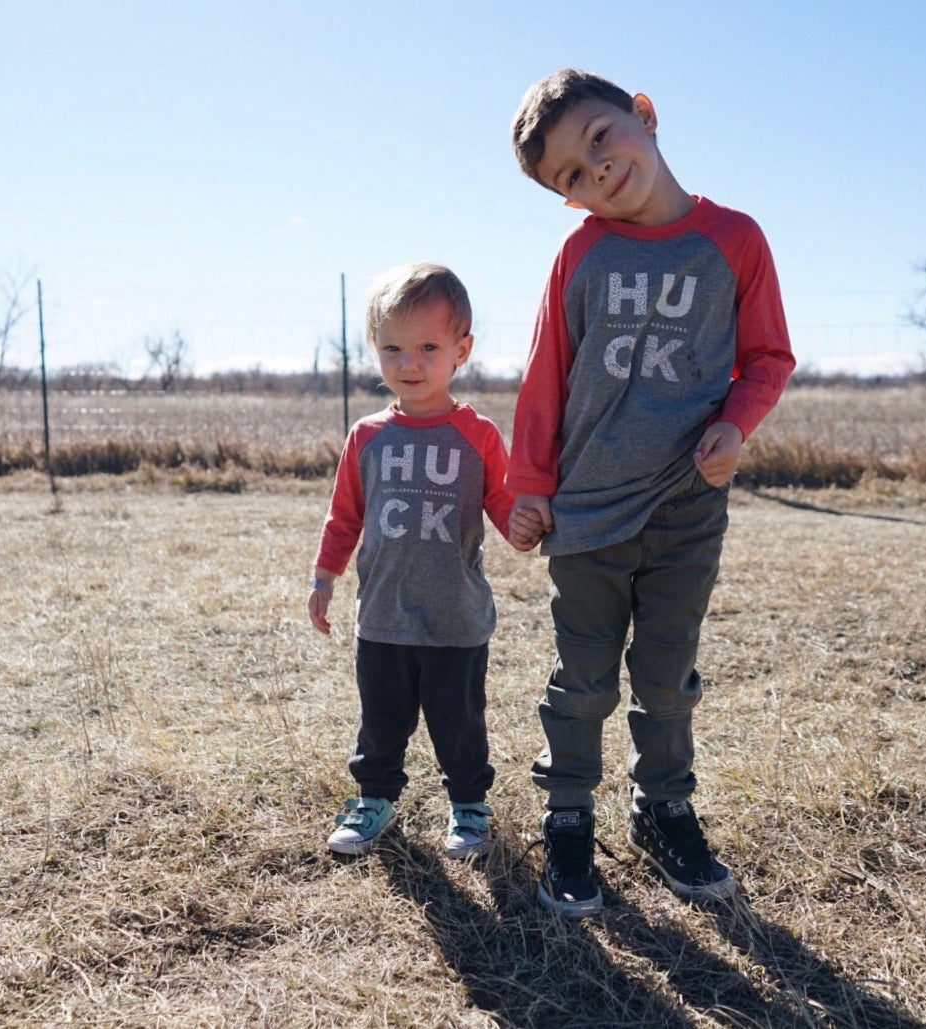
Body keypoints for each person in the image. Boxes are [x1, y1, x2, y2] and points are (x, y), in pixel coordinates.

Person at [506, 69, 795, 916]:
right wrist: (531, 487)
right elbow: (545, 377)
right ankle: (567, 816)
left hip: (684, 504)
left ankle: (663, 808)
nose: (596, 170)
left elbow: (769, 356)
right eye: (572, 174)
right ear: (566, 201)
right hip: (590, 509)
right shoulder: (581, 252)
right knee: (583, 679)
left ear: (644, 113)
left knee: (667, 676)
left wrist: (736, 424)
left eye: (601, 139)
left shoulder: (734, 238)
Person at [309, 262, 522, 860]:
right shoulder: (367, 436)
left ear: (462, 350)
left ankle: (470, 810)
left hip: (455, 616)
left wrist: (530, 527)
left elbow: (505, 506)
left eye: (429, 347)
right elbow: (344, 514)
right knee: (380, 720)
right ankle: (374, 799)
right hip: (383, 616)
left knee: (460, 725)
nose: (410, 363)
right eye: (392, 348)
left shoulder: (477, 435)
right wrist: (324, 576)